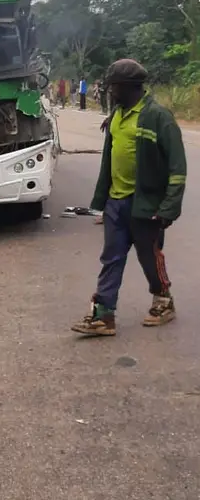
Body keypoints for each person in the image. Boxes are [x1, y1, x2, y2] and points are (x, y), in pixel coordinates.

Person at [72, 59, 186, 337]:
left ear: (128, 87)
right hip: (115, 202)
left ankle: (163, 301)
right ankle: (103, 316)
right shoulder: (118, 114)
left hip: (145, 204)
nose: (109, 92)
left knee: (150, 257)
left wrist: (169, 207)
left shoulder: (159, 117)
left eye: (114, 87)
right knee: (111, 258)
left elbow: (177, 167)